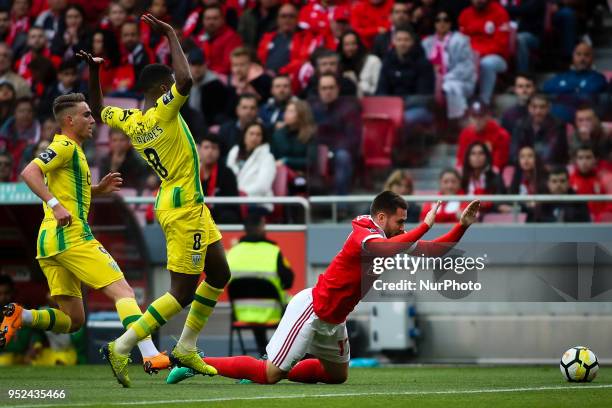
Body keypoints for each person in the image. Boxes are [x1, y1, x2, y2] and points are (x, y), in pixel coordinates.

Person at [167, 192, 480, 385]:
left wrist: (462, 226)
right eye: (400, 222)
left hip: (334, 319)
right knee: (270, 375)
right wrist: (425, 225)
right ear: (381, 217)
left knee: (337, 377)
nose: (404, 227)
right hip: (313, 310)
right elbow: (386, 251)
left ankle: (272, 365)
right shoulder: (364, 234)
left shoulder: (387, 238)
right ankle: (196, 364)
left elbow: (432, 251)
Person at [81, 13, 231, 386]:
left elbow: (98, 110)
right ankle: (122, 346)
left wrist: (96, 72)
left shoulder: (133, 120)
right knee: (180, 292)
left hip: (180, 202)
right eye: (170, 86)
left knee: (219, 273)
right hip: (184, 209)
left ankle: (186, 347)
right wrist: (170, 35)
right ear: (163, 88)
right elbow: (186, 79)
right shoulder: (166, 110)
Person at [1, 93, 167, 375]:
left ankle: (22, 315)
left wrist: (97, 191)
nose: (93, 120)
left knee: (73, 319)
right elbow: (29, 172)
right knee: (123, 291)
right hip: (71, 236)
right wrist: (55, 206)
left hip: (50, 244)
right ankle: (150, 354)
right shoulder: (64, 146)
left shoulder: (75, 151)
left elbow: (69, 191)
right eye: (87, 114)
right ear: (69, 120)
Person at [226, 212, 294, 356]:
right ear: (261, 227)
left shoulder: (232, 253)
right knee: (296, 303)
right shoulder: (273, 251)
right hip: (272, 313)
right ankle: (286, 355)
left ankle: (264, 351)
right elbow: (288, 282)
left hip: (241, 313)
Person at [310, 74, 362, 196]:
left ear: (337, 89)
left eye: (331, 88)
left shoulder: (349, 108)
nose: (328, 91)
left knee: (343, 157)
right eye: (324, 88)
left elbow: (353, 137)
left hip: (340, 150)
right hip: (317, 150)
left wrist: (332, 151)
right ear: (318, 90)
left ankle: (340, 204)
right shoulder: (313, 108)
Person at [422, 9, 476, 119]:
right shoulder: (426, 42)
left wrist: (443, 79)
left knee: (451, 87)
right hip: (431, 81)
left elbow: (466, 67)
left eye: (445, 20)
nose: (442, 23)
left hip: (458, 80)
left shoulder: (461, 40)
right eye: (438, 20)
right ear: (434, 23)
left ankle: (457, 121)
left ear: (450, 23)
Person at [376, 26, 435, 127]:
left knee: (400, 120)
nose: (402, 44)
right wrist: (388, 104)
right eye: (399, 40)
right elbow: (381, 89)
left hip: (416, 108)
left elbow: (424, 96)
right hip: (390, 107)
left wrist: (398, 104)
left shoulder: (423, 63)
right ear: (394, 41)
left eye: (406, 40)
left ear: (412, 42)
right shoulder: (387, 61)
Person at [458, 0, 510, 104]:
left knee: (486, 63)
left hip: (497, 57)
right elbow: (462, 42)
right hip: (472, 56)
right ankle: (463, 103)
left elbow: (500, 45)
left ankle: (484, 102)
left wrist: (477, 54)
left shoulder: (500, 12)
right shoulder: (465, 14)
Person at [542, 42, 608, 123]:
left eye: (586, 55)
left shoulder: (598, 78)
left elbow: (590, 91)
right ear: (573, 56)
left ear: (592, 58)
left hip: (583, 116)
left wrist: (563, 89)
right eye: (578, 54)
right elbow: (546, 87)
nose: (582, 58)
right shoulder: (562, 76)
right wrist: (576, 88)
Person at [226, 122, 276, 213]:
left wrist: (242, 195)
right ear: (244, 135)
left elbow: (263, 187)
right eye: (251, 133)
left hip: (258, 202)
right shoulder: (234, 152)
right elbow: (228, 178)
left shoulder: (268, 157)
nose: (254, 137)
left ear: (262, 138)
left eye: (258, 134)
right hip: (234, 200)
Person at [510, 94, 568, 167]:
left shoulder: (558, 126)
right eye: (534, 107)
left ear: (548, 108)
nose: (538, 111)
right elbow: (514, 154)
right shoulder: (520, 125)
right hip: (525, 168)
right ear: (529, 108)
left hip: (549, 169)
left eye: (542, 107)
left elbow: (554, 154)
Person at [456, 99, 510, 171]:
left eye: (481, 116)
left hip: (493, 172)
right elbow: (461, 159)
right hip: (471, 172)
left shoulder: (500, 134)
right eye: (474, 117)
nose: (477, 120)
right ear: (469, 118)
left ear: (487, 116)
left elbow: (498, 163)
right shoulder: (465, 134)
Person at [199, 133, 241, 224]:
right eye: (206, 147)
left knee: (229, 216)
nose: (210, 151)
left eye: (214, 148)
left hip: (218, 216)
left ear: (219, 152)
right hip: (197, 214)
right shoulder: (192, 173)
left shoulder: (227, 173)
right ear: (199, 150)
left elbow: (232, 202)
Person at [187, 47, 230, 128]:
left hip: (209, 125)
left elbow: (220, 111)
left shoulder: (215, 84)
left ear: (205, 65)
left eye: (200, 64)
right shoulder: (182, 83)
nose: (197, 68)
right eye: (193, 64)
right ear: (188, 65)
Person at [460, 141, 505, 214]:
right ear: (468, 158)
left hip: (489, 217)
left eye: (481, 153)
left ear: (486, 157)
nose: (477, 157)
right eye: (473, 153)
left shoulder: (495, 177)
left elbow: (499, 203)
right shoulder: (462, 178)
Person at [504, 145, 547, 221]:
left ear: (536, 158)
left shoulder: (544, 177)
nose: (526, 160)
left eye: (530, 156)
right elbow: (511, 200)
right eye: (522, 156)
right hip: (521, 216)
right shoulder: (516, 179)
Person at [569, 144, 609, 222]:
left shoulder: (604, 180)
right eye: (580, 158)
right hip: (577, 225)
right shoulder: (569, 181)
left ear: (595, 159)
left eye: (588, 157)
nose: (584, 162)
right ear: (575, 160)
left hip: (600, 226)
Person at [338, 30, 381, 97]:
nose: (350, 48)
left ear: (359, 44)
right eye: (346, 44)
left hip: (370, 102)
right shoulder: (338, 63)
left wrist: (357, 85)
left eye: (353, 43)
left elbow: (379, 90)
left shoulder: (372, 61)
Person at [218, 93, 259, 159]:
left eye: (252, 108)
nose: (249, 111)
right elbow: (220, 155)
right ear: (237, 110)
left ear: (257, 111)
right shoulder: (225, 129)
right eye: (244, 107)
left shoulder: (264, 130)